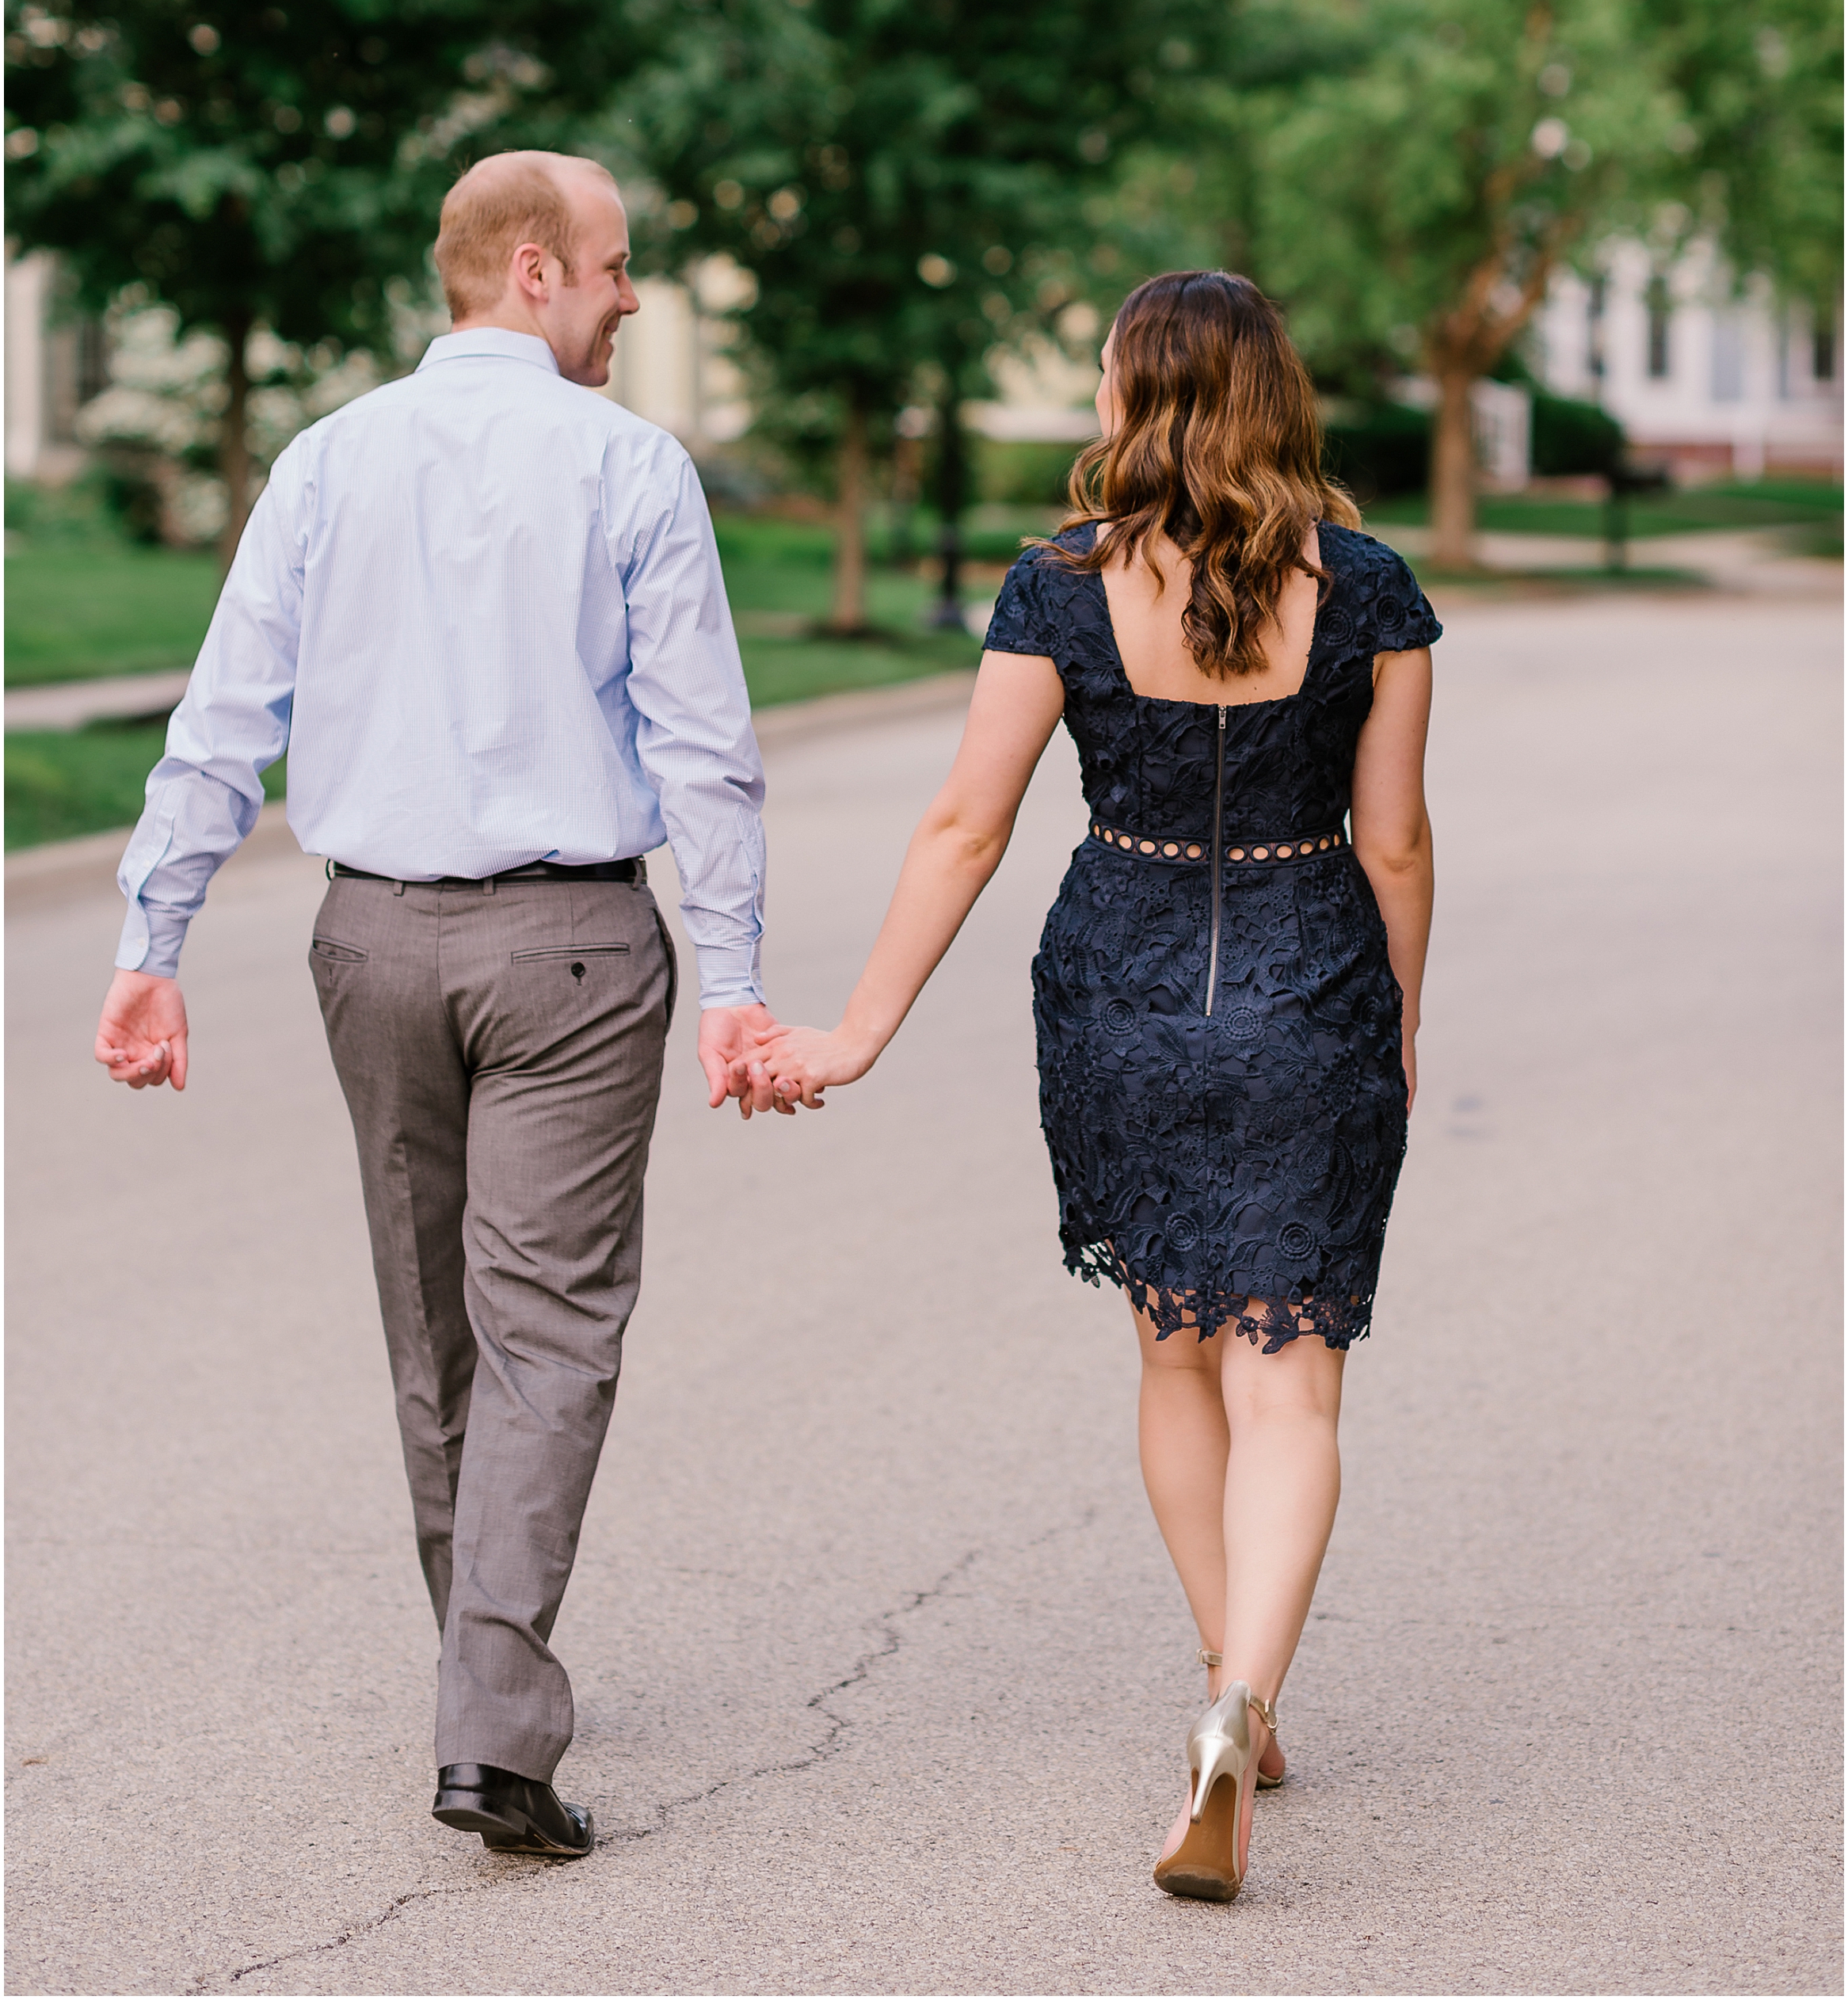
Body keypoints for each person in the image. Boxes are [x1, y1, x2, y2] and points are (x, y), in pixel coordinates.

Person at [93, 150, 778, 1862]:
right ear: (534, 270)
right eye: (619, 268)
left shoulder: (327, 458)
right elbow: (704, 747)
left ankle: (483, 1672)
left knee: (437, 1321)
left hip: (372, 946)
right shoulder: (630, 465)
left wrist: (150, 936)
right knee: (548, 1328)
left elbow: (224, 708)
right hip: (567, 950)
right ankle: (494, 1720)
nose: (634, 297)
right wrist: (741, 981)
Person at [751, 269, 1438, 1903]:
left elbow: (963, 827)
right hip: (1308, 980)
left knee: (1176, 1352)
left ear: (1135, 398)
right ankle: (1242, 1692)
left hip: (1119, 989)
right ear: (1280, 395)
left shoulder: (1057, 586)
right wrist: (1396, 1024)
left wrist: (854, 1030)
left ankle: (1227, 1679)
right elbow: (1395, 838)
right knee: (1295, 1378)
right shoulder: (1373, 590)